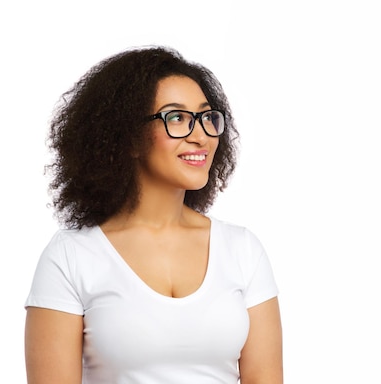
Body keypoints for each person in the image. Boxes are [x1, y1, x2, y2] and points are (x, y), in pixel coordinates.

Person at [24, 45, 283, 384]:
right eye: (176, 118)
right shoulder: (71, 256)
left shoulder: (243, 250)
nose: (200, 135)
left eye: (207, 117)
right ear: (127, 138)